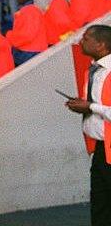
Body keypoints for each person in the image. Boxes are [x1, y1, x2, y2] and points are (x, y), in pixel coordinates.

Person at [66, 24, 111, 225]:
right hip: (101, 150)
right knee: (100, 205)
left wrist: (91, 107)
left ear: (101, 45)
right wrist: (84, 106)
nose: (80, 41)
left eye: (86, 38)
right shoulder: (94, 70)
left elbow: (100, 107)